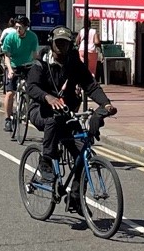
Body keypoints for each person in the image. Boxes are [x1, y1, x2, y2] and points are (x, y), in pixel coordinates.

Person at [25, 29, 113, 184]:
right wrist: (48, 97)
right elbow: (31, 87)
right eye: (58, 42)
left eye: (64, 42)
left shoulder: (73, 62)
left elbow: (90, 85)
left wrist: (105, 103)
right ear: (51, 42)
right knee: (53, 119)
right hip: (40, 110)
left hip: (66, 114)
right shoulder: (42, 62)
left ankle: (75, 197)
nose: (61, 45)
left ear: (70, 44)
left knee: (83, 155)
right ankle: (46, 161)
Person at [0, 14, 39, 134]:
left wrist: (37, 68)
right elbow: (7, 57)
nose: (18, 30)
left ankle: (27, 109)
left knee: (32, 89)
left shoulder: (32, 37)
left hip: (27, 66)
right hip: (13, 66)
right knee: (10, 93)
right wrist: (10, 70)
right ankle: (8, 119)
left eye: (20, 27)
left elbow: (35, 55)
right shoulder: (10, 37)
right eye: (16, 27)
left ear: (26, 27)